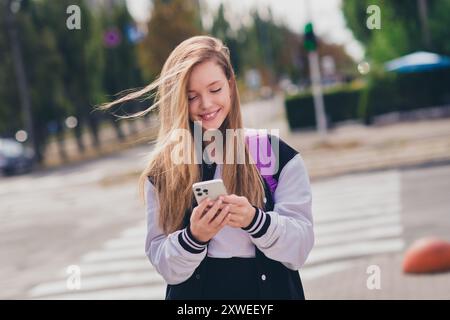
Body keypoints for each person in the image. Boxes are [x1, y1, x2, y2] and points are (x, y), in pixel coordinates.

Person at [99, 35, 314, 300]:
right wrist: (194, 237)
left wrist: (255, 220)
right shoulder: (164, 170)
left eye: (215, 90)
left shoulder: (276, 154)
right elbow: (166, 267)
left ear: (231, 86)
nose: (206, 104)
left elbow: (300, 249)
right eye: (191, 96)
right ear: (177, 100)